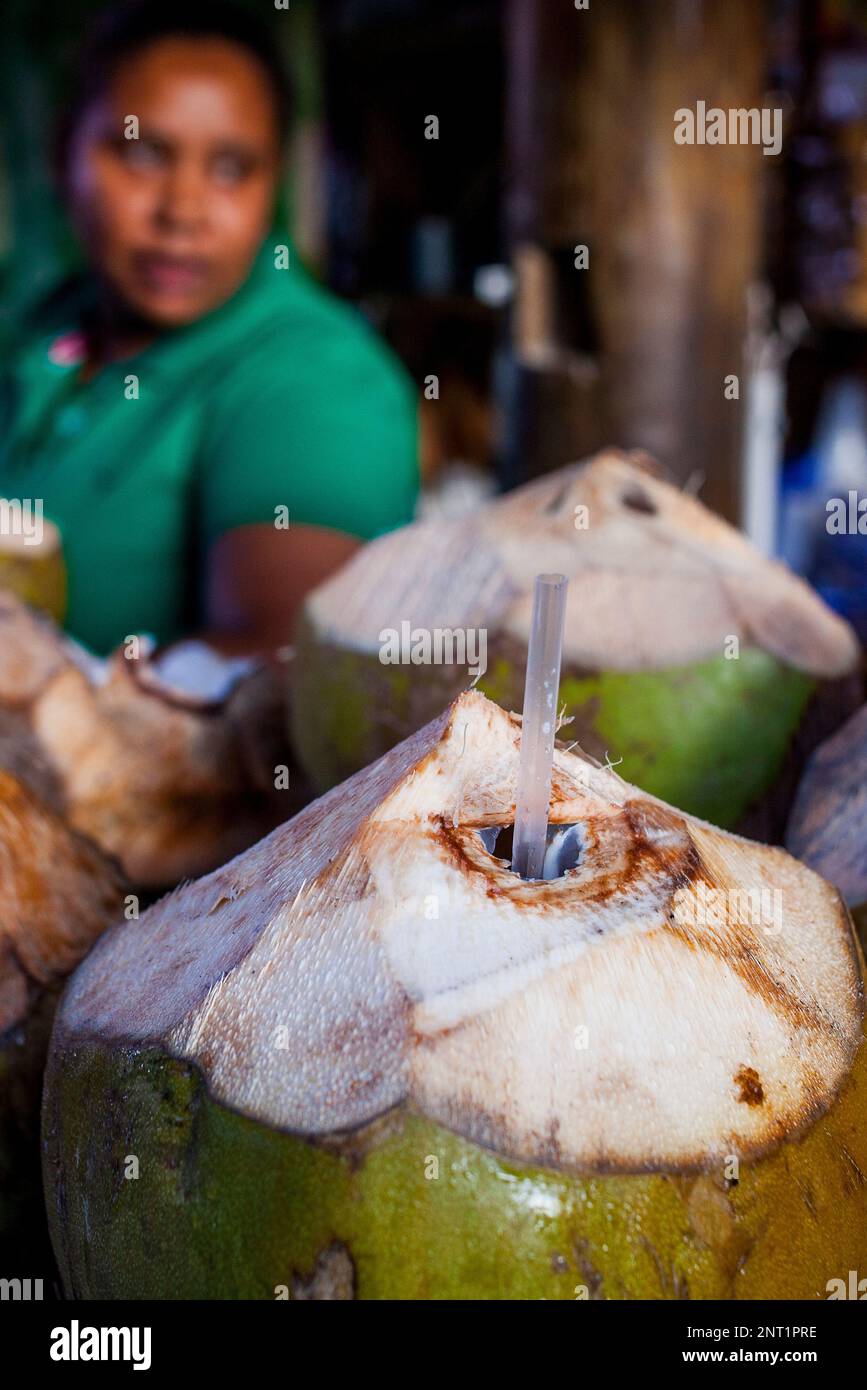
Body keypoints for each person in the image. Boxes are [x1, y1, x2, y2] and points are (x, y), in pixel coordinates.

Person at [0, 0, 418, 655]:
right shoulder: (43, 325)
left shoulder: (314, 378)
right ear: (63, 156)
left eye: (230, 169)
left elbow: (276, 660)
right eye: (142, 153)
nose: (183, 211)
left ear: (272, 183)